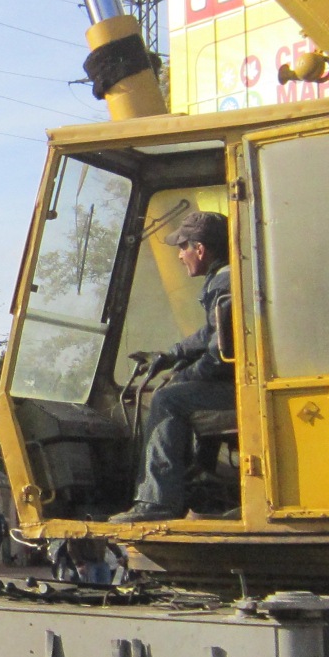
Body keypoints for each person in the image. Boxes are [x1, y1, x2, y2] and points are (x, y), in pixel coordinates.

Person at [113, 210, 236, 523]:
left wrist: (182, 376)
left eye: (183, 248)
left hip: (237, 391)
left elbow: (218, 355)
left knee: (169, 399)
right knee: (178, 391)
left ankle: (157, 502)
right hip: (235, 386)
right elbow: (209, 333)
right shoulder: (225, 278)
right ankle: (199, 483)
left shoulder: (225, 285)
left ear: (200, 250)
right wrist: (168, 355)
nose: (180, 256)